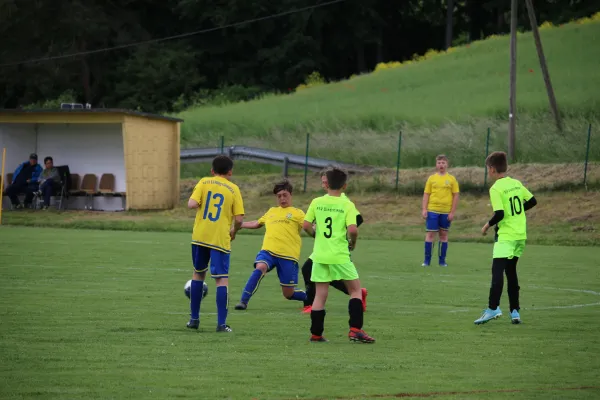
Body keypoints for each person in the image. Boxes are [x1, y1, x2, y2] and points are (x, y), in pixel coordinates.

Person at [302, 166, 375, 343]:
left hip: (320, 255)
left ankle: (316, 334)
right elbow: (353, 229)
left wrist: (315, 235)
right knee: (356, 290)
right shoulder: (347, 204)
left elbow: (305, 225)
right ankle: (355, 330)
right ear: (344, 186)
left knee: (320, 295)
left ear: (327, 184)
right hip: (339, 255)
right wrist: (353, 243)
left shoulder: (317, 202)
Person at [475, 151, 537, 325]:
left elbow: (500, 214)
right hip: (520, 235)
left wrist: (487, 225)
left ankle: (493, 308)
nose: (488, 172)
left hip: (507, 236)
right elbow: (532, 201)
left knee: (497, 272)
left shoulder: (496, 188)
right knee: (511, 272)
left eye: (488, 169)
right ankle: (515, 311)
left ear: (493, 169)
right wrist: (517, 212)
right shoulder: (516, 183)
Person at [186, 155, 245, 332]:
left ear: (212, 171)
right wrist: (234, 230)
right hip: (219, 238)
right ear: (230, 172)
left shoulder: (204, 182)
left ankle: (194, 320)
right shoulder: (234, 189)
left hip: (200, 236)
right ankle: (221, 324)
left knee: (198, 274)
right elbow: (240, 219)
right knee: (221, 280)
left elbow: (191, 204)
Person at [234, 180, 307, 310]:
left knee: (288, 294)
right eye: (279, 196)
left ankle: (310, 297)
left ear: (291, 195)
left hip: (288, 256)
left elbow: (309, 226)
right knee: (260, 267)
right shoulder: (272, 211)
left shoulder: (298, 213)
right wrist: (240, 225)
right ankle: (243, 301)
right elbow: (257, 223)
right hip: (268, 252)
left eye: (285, 195)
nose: (282, 199)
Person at [421, 154, 460, 267]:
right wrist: (424, 209)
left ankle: (442, 261)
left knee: (443, 235)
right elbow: (426, 194)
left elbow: (456, 195)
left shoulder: (451, 179)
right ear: (436, 165)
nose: (441, 165)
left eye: (443, 163)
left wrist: (452, 212)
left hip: (445, 211)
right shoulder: (431, 178)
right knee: (430, 234)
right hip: (432, 210)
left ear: (447, 164)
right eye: (439, 163)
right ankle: (426, 261)